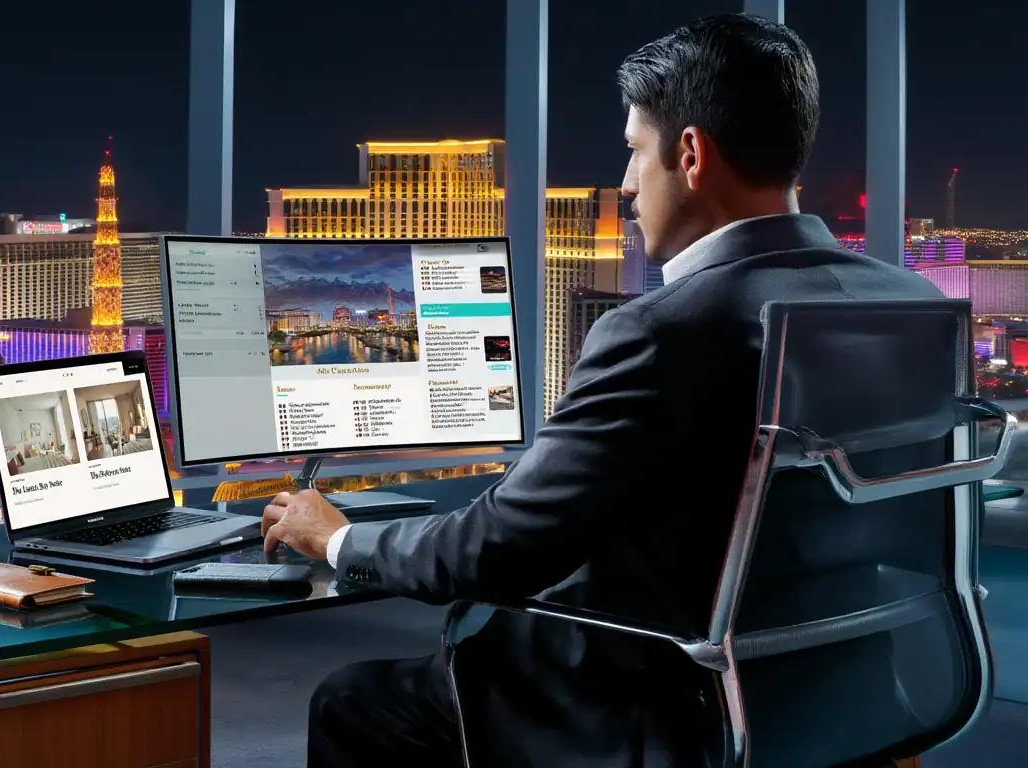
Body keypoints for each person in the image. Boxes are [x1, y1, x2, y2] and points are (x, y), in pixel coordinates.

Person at [261, 13, 945, 767]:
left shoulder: (666, 328)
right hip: (843, 691)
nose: (623, 186)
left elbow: (495, 551)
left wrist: (338, 537)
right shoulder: (905, 303)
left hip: (664, 708)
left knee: (354, 701)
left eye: (633, 153)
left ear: (689, 153)